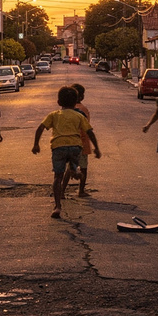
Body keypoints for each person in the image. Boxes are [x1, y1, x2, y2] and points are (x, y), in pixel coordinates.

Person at [33, 86, 98, 218]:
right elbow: (89, 132)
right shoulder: (79, 115)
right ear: (76, 103)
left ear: (58, 102)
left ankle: (57, 207)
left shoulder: (54, 115)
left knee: (58, 177)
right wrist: (97, 148)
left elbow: (40, 128)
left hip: (58, 147)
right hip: (75, 147)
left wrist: (36, 144)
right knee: (73, 164)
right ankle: (75, 171)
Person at [69, 82, 99, 197]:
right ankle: (81, 190)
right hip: (82, 143)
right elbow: (87, 128)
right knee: (83, 168)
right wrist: (96, 147)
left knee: (69, 169)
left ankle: (62, 190)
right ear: (81, 96)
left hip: (70, 143)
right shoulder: (83, 109)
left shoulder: (66, 110)